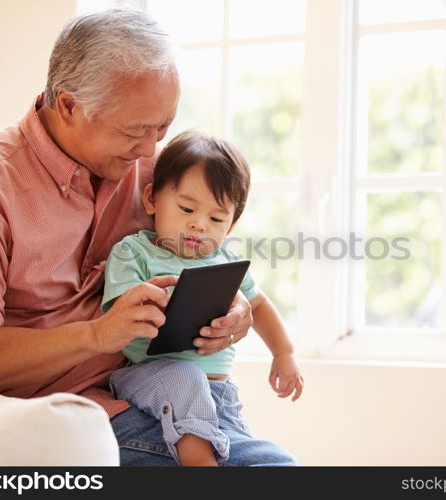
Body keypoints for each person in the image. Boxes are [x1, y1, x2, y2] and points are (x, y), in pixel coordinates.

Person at [0, 8, 296, 466]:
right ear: (70, 106)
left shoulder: (154, 177)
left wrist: (232, 315)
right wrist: (97, 335)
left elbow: (207, 252)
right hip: (60, 416)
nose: (150, 149)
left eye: (163, 128)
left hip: (162, 393)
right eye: (135, 131)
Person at [103, 130, 304, 466]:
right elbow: (118, 316)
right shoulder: (132, 252)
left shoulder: (224, 261)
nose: (198, 225)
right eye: (186, 209)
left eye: (215, 218)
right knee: (186, 377)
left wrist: (284, 353)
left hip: (220, 395)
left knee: (278, 461)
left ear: (231, 224)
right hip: (150, 379)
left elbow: (259, 304)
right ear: (152, 199)